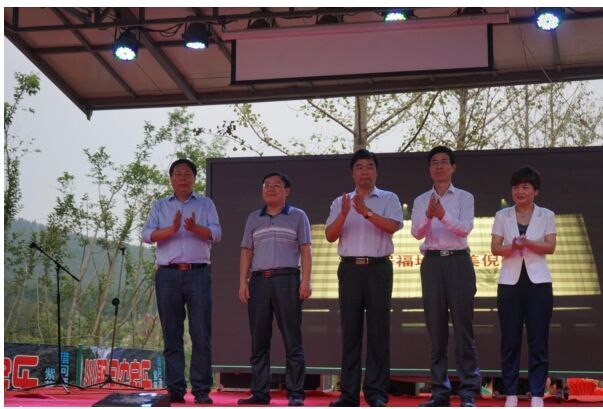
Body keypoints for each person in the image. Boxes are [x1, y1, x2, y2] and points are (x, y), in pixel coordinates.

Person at [326, 149, 403, 407]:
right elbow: (330, 236)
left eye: (369, 166)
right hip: (350, 270)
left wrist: (366, 212)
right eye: (359, 167)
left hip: (378, 268)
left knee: (379, 332)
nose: (364, 172)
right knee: (350, 332)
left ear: (376, 171)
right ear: (352, 173)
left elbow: (393, 226)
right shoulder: (340, 202)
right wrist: (345, 213)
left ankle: (376, 393)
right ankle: (348, 394)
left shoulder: (389, 198)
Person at [142, 158, 221, 404]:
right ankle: (175, 389)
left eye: (188, 174)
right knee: (171, 333)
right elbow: (146, 235)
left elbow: (216, 234)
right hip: (168, 274)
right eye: (178, 174)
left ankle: (201, 389)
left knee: (201, 333)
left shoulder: (206, 204)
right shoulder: (160, 206)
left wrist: (195, 228)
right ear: (171, 179)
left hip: (198, 273)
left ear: (195, 178)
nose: (183, 178)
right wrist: (172, 229)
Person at [410, 146, 480, 407]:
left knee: (463, 329)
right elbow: (417, 233)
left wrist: (443, 215)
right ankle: (440, 392)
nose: (439, 166)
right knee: (436, 331)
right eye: (434, 162)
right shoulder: (421, 200)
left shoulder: (464, 197)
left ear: (453, 167)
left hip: (459, 262)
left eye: (444, 162)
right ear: (429, 169)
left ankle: (468, 392)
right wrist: (429, 215)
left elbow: (465, 228)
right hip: (432, 264)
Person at [238, 172, 312, 407]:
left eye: (276, 185)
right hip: (259, 281)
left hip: (287, 279)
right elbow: (246, 251)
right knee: (259, 340)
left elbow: (306, 250)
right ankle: (260, 392)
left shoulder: (298, 216)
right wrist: (243, 281)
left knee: (292, 340)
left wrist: (306, 281)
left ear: (286, 191)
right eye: (266, 185)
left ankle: (296, 393)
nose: (270, 189)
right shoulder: (254, 218)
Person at [491, 166, 556, 408]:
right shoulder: (502, 215)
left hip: (538, 284)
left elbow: (550, 246)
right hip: (509, 284)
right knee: (510, 340)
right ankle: (511, 394)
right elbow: (495, 248)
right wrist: (514, 247)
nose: (520, 191)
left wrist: (528, 243)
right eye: (516, 187)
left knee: (538, 340)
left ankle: (537, 394)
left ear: (535, 191)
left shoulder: (546, 215)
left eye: (525, 187)